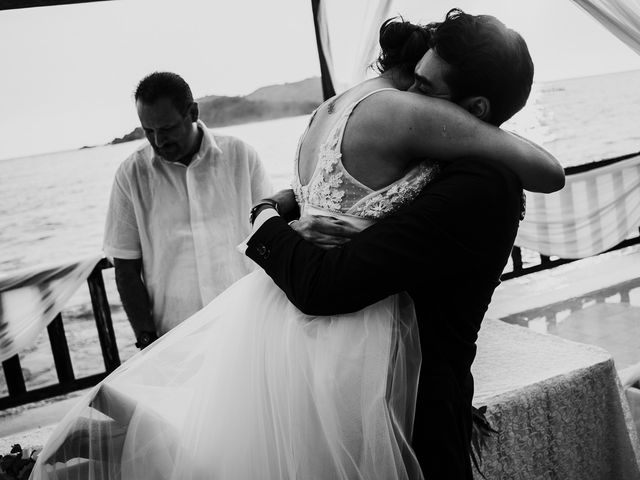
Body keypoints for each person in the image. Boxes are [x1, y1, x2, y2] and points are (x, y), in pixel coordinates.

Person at [32, 10, 563, 480]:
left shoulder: (332, 110)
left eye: (428, 88)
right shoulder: (411, 118)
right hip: (350, 353)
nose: (414, 96)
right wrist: (272, 222)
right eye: (418, 81)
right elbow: (547, 170)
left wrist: (280, 213)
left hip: (288, 335)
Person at [247, 9, 561, 479]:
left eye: (425, 88)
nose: (408, 96)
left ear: (475, 111)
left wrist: (265, 220)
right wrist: (285, 212)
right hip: (352, 378)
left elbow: (548, 173)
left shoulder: (482, 183)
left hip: (396, 388)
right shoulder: (433, 150)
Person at [103, 72, 273, 347]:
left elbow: (272, 239)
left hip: (246, 326)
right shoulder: (131, 174)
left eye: (167, 129)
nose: (158, 141)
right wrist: (146, 339)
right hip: (176, 337)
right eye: (149, 131)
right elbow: (125, 266)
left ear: (192, 113)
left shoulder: (242, 157)